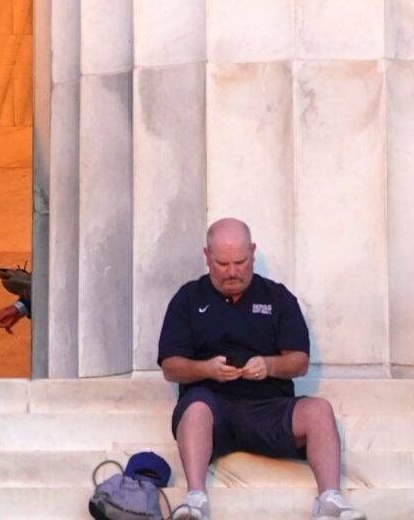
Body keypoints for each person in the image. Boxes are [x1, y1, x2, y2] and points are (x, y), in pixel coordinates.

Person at [156, 219, 363, 520]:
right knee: (196, 408)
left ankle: (329, 499)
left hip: (270, 406)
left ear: (253, 253)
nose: (232, 271)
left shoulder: (277, 297)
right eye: (222, 263)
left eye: (240, 262)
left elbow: (299, 361)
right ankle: (195, 498)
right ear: (206, 256)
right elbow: (171, 367)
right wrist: (207, 369)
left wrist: (268, 366)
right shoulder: (188, 298)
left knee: (318, 410)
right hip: (212, 405)